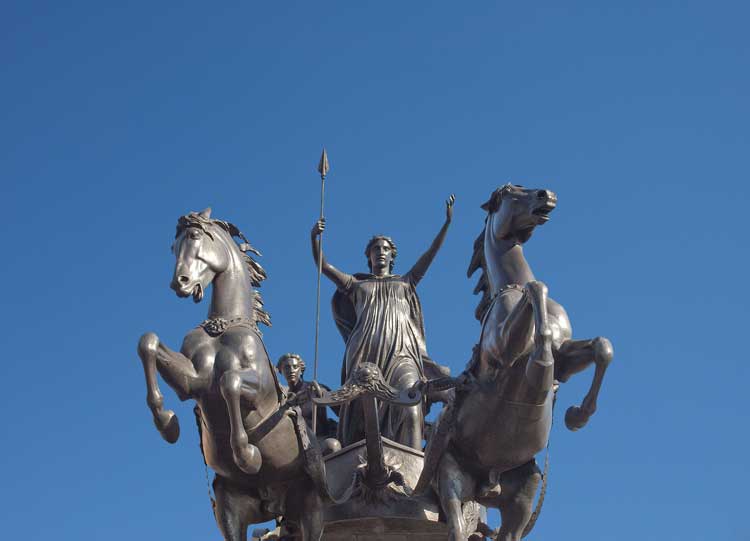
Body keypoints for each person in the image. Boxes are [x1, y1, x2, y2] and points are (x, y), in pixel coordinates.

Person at [310, 195, 454, 450]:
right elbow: (323, 266)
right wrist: (314, 239)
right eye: (376, 249)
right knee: (360, 418)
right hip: (365, 354)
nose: (381, 252)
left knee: (410, 404)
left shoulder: (405, 283)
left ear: (392, 255)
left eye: (385, 248)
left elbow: (430, 255)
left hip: (402, 354)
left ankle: (412, 471)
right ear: (369, 256)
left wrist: (447, 223)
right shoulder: (356, 285)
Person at [276, 353, 340, 454]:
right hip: (296, 448)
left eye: (295, 367)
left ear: (301, 370)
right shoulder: (282, 399)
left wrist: (321, 394)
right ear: (281, 371)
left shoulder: (314, 388)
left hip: (320, 440)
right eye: (287, 367)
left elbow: (341, 410)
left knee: (332, 446)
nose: (291, 370)